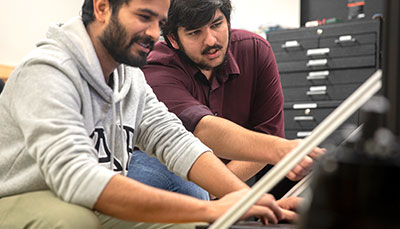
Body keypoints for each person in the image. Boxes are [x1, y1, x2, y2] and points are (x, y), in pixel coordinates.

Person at [0, 0, 303, 228]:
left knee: (184, 223)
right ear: (103, 7)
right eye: (144, 17)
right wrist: (210, 209)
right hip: (19, 199)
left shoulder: (130, 76)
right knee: (73, 221)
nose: (154, 34)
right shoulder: (47, 71)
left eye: (159, 21)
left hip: (87, 200)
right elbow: (76, 177)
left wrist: (250, 201)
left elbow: (175, 141)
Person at [128, 0, 325, 200]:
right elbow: (201, 129)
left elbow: (268, 131)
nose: (211, 41)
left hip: (223, 183)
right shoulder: (155, 68)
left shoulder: (255, 50)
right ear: (174, 39)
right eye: (195, 32)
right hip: (168, 171)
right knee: (174, 179)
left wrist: (225, 194)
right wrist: (277, 150)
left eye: (216, 25)